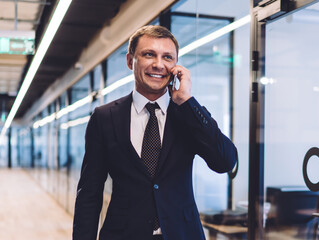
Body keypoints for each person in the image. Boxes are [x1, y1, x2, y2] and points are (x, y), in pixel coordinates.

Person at [72, 25, 238, 240]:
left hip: (181, 234)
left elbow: (225, 161)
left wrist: (187, 101)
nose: (158, 65)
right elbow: (89, 192)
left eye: (167, 57)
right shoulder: (104, 117)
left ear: (176, 65)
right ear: (130, 60)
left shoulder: (188, 114)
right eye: (149, 54)